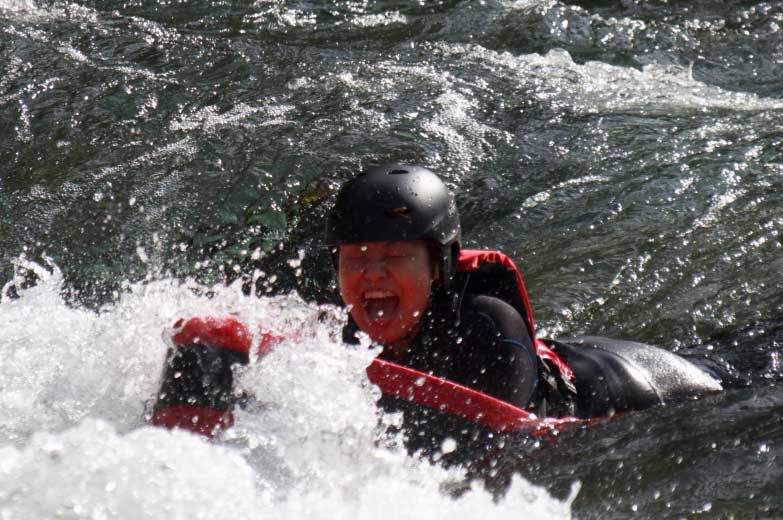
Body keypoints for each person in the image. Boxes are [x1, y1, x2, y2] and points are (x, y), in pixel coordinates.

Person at [150, 164, 723, 439]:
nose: (371, 276)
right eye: (356, 257)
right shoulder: (335, 323)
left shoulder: (487, 330)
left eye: (395, 256)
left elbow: (481, 461)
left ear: (441, 266)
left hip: (654, 383)